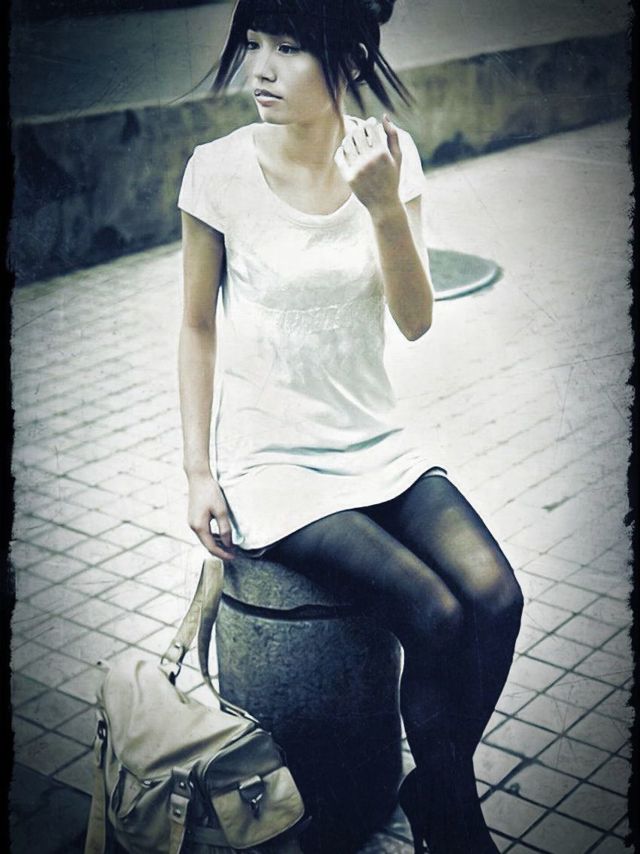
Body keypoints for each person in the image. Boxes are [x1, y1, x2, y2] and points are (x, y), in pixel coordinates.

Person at [177, 1, 524, 852]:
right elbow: (196, 326)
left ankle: (434, 790)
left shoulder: (388, 158)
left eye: (290, 48)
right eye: (253, 44)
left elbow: (415, 320)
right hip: (274, 462)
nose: (261, 68)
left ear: (349, 61)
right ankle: (456, 822)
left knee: (496, 597)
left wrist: (383, 206)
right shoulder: (216, 172)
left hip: (374, 440)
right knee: (433, 612)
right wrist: (198, 472)